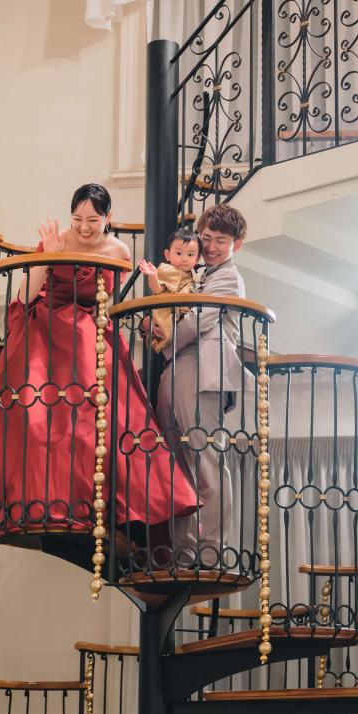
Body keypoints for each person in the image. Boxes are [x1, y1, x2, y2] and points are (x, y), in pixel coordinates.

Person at [0, 184, 197, 539]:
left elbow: (105, 302)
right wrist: (47, 254)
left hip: (90, 332)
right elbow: (25, 296)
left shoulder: (119, 250)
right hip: (47, 326)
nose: (84, 227)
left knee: (104, 417)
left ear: (108, 218)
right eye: (77, 218)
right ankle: (40, 503)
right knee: (34, 415)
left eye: (93, 219)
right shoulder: (57, 240)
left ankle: (94, 504)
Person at [154, 204, 249, 567]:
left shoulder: (227, 278)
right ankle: (184, 550)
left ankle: (211, 552)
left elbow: (196, 323)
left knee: (206, 458)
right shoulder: (195, 272)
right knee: (176, 461)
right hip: (177, 365)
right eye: (205, 238)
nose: (210, 247)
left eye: (220, 241)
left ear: (236, 245)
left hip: (202, 367)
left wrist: (162, 333)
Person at [137, 228, 202, 353]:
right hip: (166, 311)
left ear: (197, 259)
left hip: (179, 313)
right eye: (179, 253)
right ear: (168, 255)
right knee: (165, 332)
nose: (184, 259)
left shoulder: (193, 276)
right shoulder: (167, 270)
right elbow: (157, 289)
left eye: (190, 255)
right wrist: (153, 276)